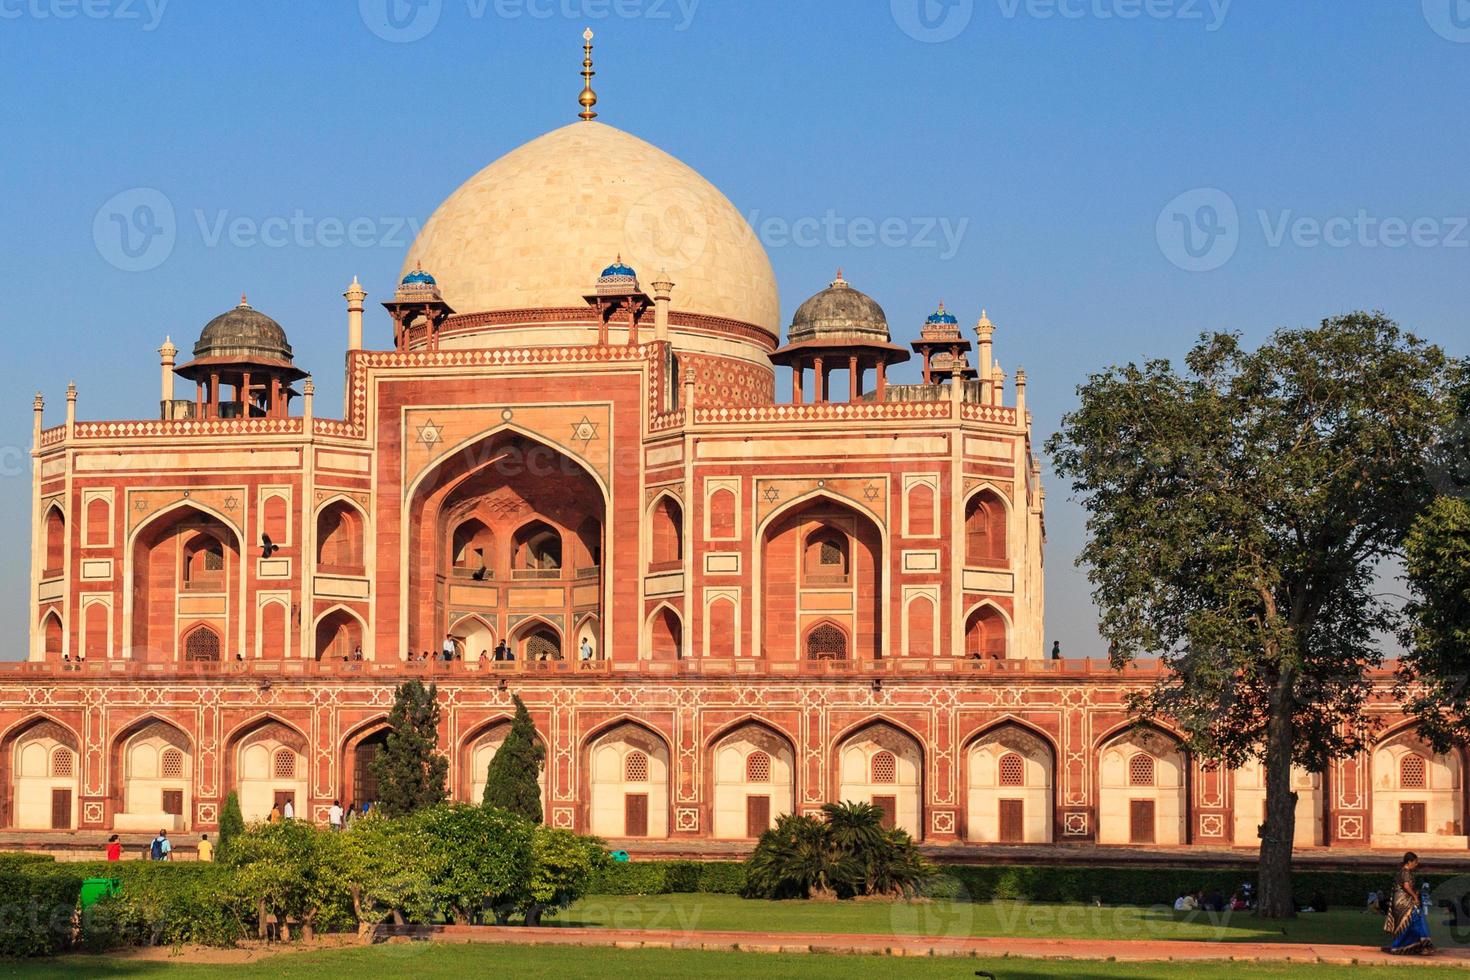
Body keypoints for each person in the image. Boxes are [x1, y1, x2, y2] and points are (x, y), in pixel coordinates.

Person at [1384, 851, 1433, 955]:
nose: (1416, 864)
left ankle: (1411, 946)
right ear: (1409, 862)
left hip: (1401, 903)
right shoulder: (1406, 872)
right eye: (1415, 862)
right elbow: (1406, 886)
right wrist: (1415, 896)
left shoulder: (1403, 871)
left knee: (1412, 922)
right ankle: (1423, 944)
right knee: (1417, 919)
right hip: (1404, 903)